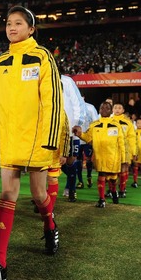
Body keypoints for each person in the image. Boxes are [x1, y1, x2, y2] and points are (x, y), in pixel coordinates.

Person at [0, 5, 64, 280]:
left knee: (38, 195)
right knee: (7, 195)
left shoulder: (42, 57)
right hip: (10, 138)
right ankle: (0, 264)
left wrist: (51, 139)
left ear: (31, 29)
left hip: (38, 141)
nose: (12, 27)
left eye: (19, 23)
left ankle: (50, 224)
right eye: (9, 23)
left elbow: (53, 101)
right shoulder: (1, 62)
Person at [73, 101, 124, 207]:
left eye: (107, 108)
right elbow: (88, 138)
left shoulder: (116, 125)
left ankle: (114, 192)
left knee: (113, 179)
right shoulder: (94, 125)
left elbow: (121, 144)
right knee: (101, 176)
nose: (104, 109)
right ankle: (102, 199)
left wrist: (123, 160)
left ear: (111, 111)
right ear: (99, 110)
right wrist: (80, 134)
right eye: (102, 107)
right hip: (100, 156)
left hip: (113, 157)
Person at [60, 74, 87, 202]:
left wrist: (78, 122)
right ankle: (43, 194)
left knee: (70, 161)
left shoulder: (66, 80)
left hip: (69, 130)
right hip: (48, 131)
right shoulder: (40, 77)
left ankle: (71, 189)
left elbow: (77, 102)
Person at [112, 102, 137, 198]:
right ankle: (112, 190)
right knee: (112, 172)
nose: (117, 109)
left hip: (125, 150)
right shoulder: (109, 121)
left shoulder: (127, 122)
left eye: (119, 108)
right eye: (115, 108)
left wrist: (134, 152)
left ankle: (122, 189)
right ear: (112, 110)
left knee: (123, 169)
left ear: (123, 110)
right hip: (112, 150)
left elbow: (132, 138)